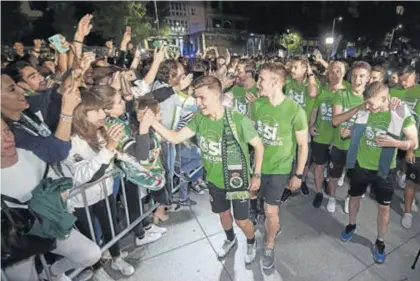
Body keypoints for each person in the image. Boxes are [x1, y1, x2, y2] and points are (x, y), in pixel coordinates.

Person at [143, 75, 264, 264]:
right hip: (214, 180)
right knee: (223, 214)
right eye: (196, 98)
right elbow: (174, 138)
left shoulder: (238, 120)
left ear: (217, 96)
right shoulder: (199, 119)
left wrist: (256, 175)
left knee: (241, 221)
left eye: (202, 98)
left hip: (237, 178)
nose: (198, 103)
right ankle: (230, 239)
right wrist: (152, 123)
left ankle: (251, 241)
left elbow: (258, 146)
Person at [340, 82, 418, 264]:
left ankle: (380, 241)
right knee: (354, 198)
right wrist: (348, 132)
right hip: (360, 165)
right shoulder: (365, 110)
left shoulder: (399, 112)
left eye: (372, 104)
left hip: (385, 170)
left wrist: (396, 144)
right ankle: (351, 225)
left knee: (383, 208)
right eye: (366, 103)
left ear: (384, 99)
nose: (368, 107)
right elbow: (358, 131)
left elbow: (414, 141)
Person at [62, 91, 135, 279]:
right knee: (90, 236)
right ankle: (98, 269)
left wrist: (136, 163)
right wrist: (109, 148)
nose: (103, 114)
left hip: (105, 191)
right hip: (81, 200)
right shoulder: (71, 141)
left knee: (110, 226)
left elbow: (117, 155)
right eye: (96, 110)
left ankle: (116, 258)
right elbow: (82, 175)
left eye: (102, 109)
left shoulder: (101, 130)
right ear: (82, 113)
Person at [249, 63, 308, 269]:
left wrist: (298, 175)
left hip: (279, 169)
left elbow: (302, 145)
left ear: (276, 83)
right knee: (254, 200)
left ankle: (269, 244)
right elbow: (251, 137)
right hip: (256, 166)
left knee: (271, 211)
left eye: (262, 79)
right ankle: (265, 222)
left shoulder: (295, 110)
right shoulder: (256, 106)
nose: (258, 83)